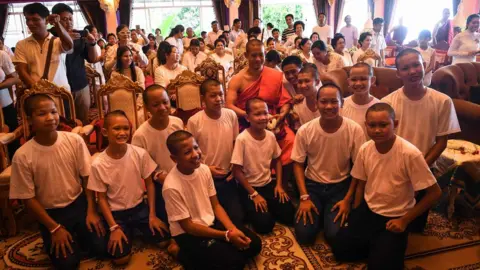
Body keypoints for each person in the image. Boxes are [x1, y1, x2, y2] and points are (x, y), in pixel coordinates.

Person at [332, 103, 442, 270]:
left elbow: (434, 193)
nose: (377, 130)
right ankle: (378, 245)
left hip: (396, 216)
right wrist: (356, 214)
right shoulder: (365, 149)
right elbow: (361, 183)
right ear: (365, 125)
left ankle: (385, 248)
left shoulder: (410, 154)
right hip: (369, 210)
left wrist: (404, 220)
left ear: (395, 124)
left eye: (383, 125)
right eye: (372, 125)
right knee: (339, 248)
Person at [10, 94, 106, 269]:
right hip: (51, 214)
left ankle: (80, 235)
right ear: (29, 119)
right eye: (41, 114)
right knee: (67, 264)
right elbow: (27, 198)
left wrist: (92, 210)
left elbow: (86, 178)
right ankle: (60, 235)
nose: (50, 118)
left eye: (53, 112)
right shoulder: (22, 155)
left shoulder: (74, 140)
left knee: (103, 248)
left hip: (79, 204)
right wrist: (53, 228)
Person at [381, 49, 460, 232]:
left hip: (425, 166)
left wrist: (418, 171)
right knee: (388, 222)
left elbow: (441, 141)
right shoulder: (388, 103)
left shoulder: (442, 101)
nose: (413, 71)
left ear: (424, 66)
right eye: (406, 68)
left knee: (415, 228)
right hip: (394, 168)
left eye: (416, 65)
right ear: (398, 73)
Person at [163, 130, 262, 269]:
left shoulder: (204, 170)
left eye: (196, 147)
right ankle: (179, 251)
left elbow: (215, 205)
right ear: (174, 159)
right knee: (235, 264)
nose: (195, 154)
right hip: (189, 234)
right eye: (187, 152)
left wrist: (232, 231)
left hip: (211, 222)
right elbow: (188, 226)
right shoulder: (171, 186)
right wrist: (226, 236)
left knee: (255, 245)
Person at [88, 110, 170, 265]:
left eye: (126, 128)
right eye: (117, 129)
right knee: (121, 259)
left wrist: (152, 215)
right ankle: (127, 230)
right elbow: (102, 199)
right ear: (105, 132)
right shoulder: (98, 163)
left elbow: (150, 183)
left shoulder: (139, 153)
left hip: (139, 209)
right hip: (117, 214)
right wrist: (113, 227)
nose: (122, 133)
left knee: (164, 240)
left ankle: (137, 228)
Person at [291, 83, 365, 246]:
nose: (329, 106)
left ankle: (325, 217)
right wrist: (304, 197)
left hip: (340, 187)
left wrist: (348, 199)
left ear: (342, 103)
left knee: (334, 236)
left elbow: (359, 168)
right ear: (317, 103)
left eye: (334, 101)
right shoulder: (305, 130)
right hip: (312, 187)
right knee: (304, 235)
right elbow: (297, 164)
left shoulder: (354, 130)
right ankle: (318, 214)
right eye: (324, 102)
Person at [226, 39, 294, 170]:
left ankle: (282, 182)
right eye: (253, 55)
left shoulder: (274, 75)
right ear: (246, 56)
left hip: (273, 120)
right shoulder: (237, 79)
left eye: (261, 55)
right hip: (246, 122)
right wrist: (249, 116)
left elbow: (285, 100)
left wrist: (282, 114)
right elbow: (229, 105)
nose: (258, 59)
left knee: (291, 140)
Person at [232, 98, 295, 234]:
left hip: (267, 185)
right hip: (250, 188)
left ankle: (267, 207)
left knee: (290, 216)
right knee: (265, 226)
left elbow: (277, 159)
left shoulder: (270, 136)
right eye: (257, 114)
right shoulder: (242, 139)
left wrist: (279, 185)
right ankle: (252, 208)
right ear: (248, 118)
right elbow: (236, 171)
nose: (262, 118)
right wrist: (254, 194)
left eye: (265, 113)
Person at [186, 79, 244, 226]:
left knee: (237, 219)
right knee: (210, 221)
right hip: (204, 177)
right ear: (203, 98)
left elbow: (235, 144)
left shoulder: (230, 115)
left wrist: (234, 167)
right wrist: (206, 169)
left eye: (221, 94)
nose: (218, 99)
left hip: (228, 176)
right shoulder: (195, 121)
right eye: (213, 95)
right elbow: (190, 154)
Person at [52, 3, 98, 125]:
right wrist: (66, 39)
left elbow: (92, 59)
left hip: (80, 84)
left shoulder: (80, 35)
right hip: (59, 88)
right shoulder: (50, 37)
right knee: (63, 122)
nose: (69, 23)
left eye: (71, 19)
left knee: (83, 119)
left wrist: (92, 43)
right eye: (64, 19)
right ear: (55, 20)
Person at [14, 3, 73, 90]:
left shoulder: (58, 41)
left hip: (61, 93)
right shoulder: (21, 44)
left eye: (35, 19)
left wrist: (57, 23)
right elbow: (22, 71)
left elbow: (69, 46)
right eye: (27, 19)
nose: (30, 23)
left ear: (46, 21)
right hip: (36, 94)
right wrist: (38, 89)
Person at [342, 63, 379, 137]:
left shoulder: (379, 106)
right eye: (354, 79)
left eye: (363, 79)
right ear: (349, 81)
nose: (358, 83)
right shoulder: (341, 105)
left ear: (372, 80)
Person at [84, 25, 106, 92]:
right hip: (93, 78)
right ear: (89, 34)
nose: (97, 34)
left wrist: (102, 59)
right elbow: (86, 63)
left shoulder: (97, 46)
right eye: (95, 32)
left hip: (100, 75)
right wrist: (99, 58)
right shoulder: (85, 45)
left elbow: (100, 63)